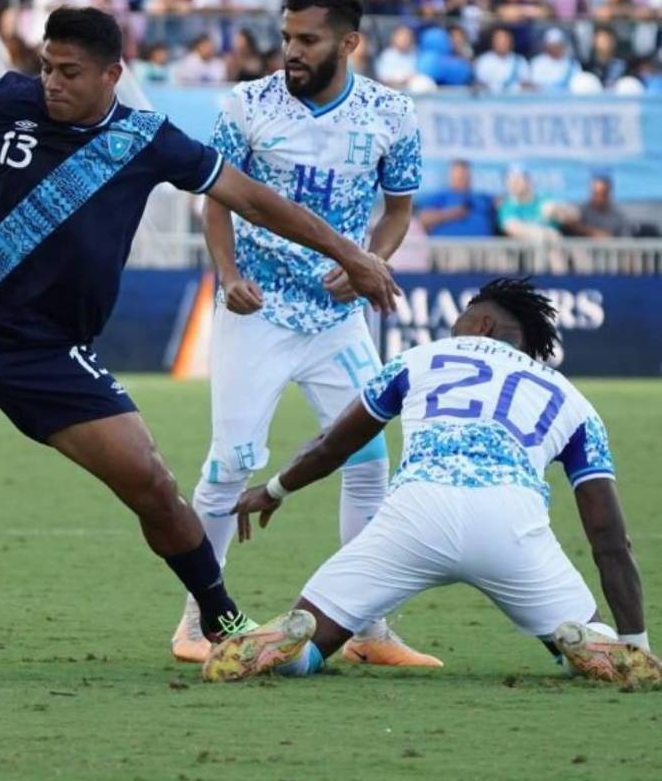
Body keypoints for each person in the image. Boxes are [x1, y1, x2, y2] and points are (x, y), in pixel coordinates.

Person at [0, 6, 400, 671]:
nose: (51, 82)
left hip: (48, 352)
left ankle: (223, 621)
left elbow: (254, 199)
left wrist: (350, 252)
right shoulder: (9, 98)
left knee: (152, 483)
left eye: (69, 72)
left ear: (112, 74)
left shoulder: (147, 139)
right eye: (46, 66)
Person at [212, 279, 661, 690]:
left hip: (415, 516)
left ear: (482, 324)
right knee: (582, 639)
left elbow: (332, 446)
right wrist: (637, 642)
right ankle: (600, 645)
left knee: (309, 637)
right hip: (512, 528)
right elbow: (609, 536)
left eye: (463, 314)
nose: (455, 324)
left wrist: (273, 490)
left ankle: (287, 647)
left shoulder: (418, 359)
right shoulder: (572, 400)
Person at [170, 0, 439, 669]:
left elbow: (399, 208)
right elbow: (215, 197)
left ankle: (368, 626)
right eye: (287, 37)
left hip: (337, 318)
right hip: (258, 311)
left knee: (370, 458)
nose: (291, 51)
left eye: (308, 40)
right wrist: (228, 274)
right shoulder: (247, 105)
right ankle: (198, 620)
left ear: (349, 43)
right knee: (230, 462)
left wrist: (369, 262)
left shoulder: (391, 113)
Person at [417, 159, 497, 237]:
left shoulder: (481, 198)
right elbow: (423, 218)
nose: (462, 177)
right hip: (446, 247)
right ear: (451, 176)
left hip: (483, 247)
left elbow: (500, 205)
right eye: (458, 174)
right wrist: (452, 213)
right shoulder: (440, 196)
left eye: (464, 174)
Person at [572, 174, 632, 238]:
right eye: (594, 193)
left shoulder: (617, 217)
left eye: (599, 194)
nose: (595, 197)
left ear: (607, 194)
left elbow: (625, 240)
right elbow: (573, 225)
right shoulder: (582, 211)